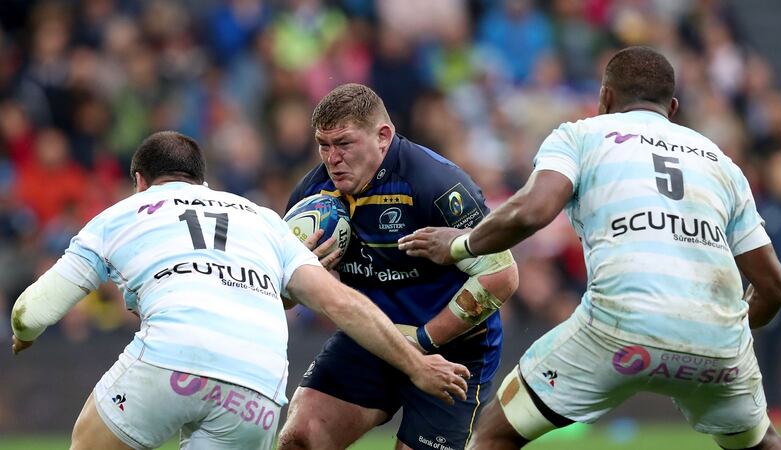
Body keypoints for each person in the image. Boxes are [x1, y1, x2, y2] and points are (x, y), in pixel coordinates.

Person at [398, 46, 781, 450]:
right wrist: (709, 337)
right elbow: (775, 289)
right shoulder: (721, 162)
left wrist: (461, 244)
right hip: (720, 344)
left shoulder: (583, 134)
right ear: (672, 107)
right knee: (766, 443)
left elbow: (531, 212)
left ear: (604, 97)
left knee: (495, 432)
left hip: (618, 329)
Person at [9, 131, 471, 450]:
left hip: (170, 359)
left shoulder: (122, 214)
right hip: (255, 384)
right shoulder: (262, 219)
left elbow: (35, 308)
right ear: (203, 181)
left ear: (140, 183)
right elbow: (342, 303)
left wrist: (24, 332)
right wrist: (418, 365)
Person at [278, 83, 519, 450]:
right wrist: (302, 278)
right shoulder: (313, 196)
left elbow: (502, 276)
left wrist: (422, 342)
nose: (332, 158)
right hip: (371, 339)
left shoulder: (435, 183)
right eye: (323, 145)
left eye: (344, 144)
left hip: (454, 350)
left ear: (383, 136)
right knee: (300, 440)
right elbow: (282, 299)